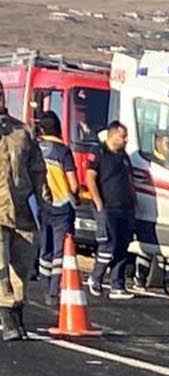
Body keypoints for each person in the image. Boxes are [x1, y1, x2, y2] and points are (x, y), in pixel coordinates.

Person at [0, 114, 47, 339]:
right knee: (0, 266)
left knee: (22, 266)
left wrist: (43, 199)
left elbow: (37, 168)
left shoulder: (22, 131)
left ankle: (17, 311)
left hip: (22, 210)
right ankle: (7, 317)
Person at [86, 120, 137, 300]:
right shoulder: (99, 153)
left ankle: (117, 285)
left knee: (123, 246)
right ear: (112, 135)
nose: (125, 140)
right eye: (122, 136)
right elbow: (90, 178)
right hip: (107, 207)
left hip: (125, 208)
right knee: (109, 244)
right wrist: (98, 201)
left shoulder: (124, 156)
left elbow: (130, 180)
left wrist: (134, 201)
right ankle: (96, 277)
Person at [33, 112, 77, 303]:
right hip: (62, 206)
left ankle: (44, 285)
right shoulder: (63, 152)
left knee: (45, 248)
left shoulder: (35, 150)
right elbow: (73, 184)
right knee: (60, 251)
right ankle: (53, 291)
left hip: (42, 205)